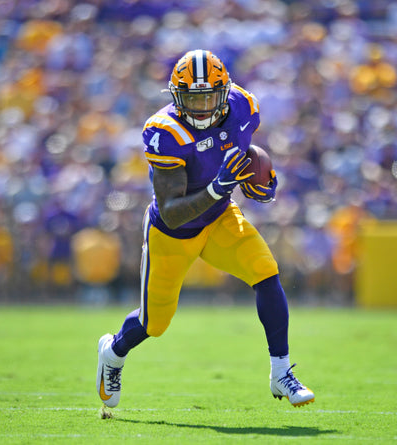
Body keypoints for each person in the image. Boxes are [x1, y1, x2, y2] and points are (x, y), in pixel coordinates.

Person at [96, 49, 315, 409]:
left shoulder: (244, 106)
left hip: (219, 217)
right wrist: (218, 186)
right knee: (155, 323)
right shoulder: (163, 131)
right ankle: (113, 352)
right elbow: (171, 212)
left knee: (266, 271)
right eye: (193, 98)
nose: (201, 107)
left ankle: (281, 372)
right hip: (173, 234)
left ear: (224, 93)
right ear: (177, 96)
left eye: (209, 97)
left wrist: (259, 180)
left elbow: (243, 152)